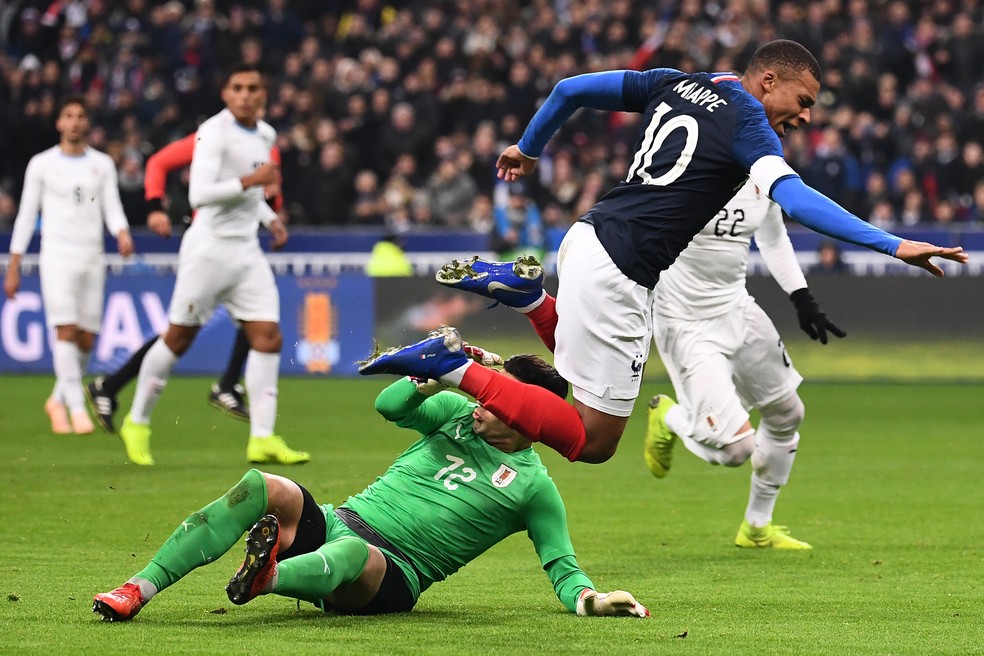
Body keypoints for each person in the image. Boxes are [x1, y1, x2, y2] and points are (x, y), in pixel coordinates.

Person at [361, 39, 967, 466]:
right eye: (803, 102)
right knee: (593, 442)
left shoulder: (677, 81)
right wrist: (893, 243)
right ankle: (453, 368)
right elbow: (796, 198)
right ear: (769, 80)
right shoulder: (749, 121)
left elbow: (569, 89)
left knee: (573, 385)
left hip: (586, 238)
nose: (806, 118)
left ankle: (529, 298)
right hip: (622, 271)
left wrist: (528, 147)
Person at [92, 338, 648, 621]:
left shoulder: (534, 489)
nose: (483, 399)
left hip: (389, 576)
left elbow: (563, 567)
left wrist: (591, 601)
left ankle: (266, 577)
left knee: (356, 552)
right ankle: (138, 588)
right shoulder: (455, 412)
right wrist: (440, 371)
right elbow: (391, 403)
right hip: (337, 523)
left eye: (496, 396)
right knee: (264, 485)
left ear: (529, 418)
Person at [114, 63, 308, 467]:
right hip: (208, 249)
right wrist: (252, 182)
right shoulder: (213, 133)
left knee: (268, 336)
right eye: (237, 87)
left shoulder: (265, 134)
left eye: (253, 88)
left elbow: (251, 195)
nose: (245, 94)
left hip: (245, 251)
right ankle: (137, 421)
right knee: (177, 340)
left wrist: (271, 221)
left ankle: (262, 437)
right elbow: (199, 194)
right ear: (225, 93)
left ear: (263, 94)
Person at [644, 179, 845, 549]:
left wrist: (802, 298)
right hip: (686, 323)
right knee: (737, 449)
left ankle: (756, 528)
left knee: (788, 412)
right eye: (795, 114)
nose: (802, 118)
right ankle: (669, 416)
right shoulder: (682, 163)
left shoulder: (764, 168)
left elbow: (772, 238)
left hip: (738, 309)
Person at [86, 128, 285, 432]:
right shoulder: (213, 136)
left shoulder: (265, 139)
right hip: (210, 241)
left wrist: (272, 215)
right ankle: (120, 394)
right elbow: (159, 163)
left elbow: (268, 191)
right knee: (181, 333)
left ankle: (227, 385)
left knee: (258, 321)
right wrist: (154, 207)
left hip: (243, 241)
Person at [4, 96, 134, 435]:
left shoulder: (102, 164)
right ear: (59, 123)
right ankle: (78, 409)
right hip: (57, 256)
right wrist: (14, 264)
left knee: (86, 338)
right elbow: (26, 215)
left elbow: (112, 206)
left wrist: (122, 232)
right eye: (68, 116)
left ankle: (58, 399)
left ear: (86, 123)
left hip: (92, 256)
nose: (74, 122)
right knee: (64, 330)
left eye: (80, 116)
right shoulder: (42, 164)